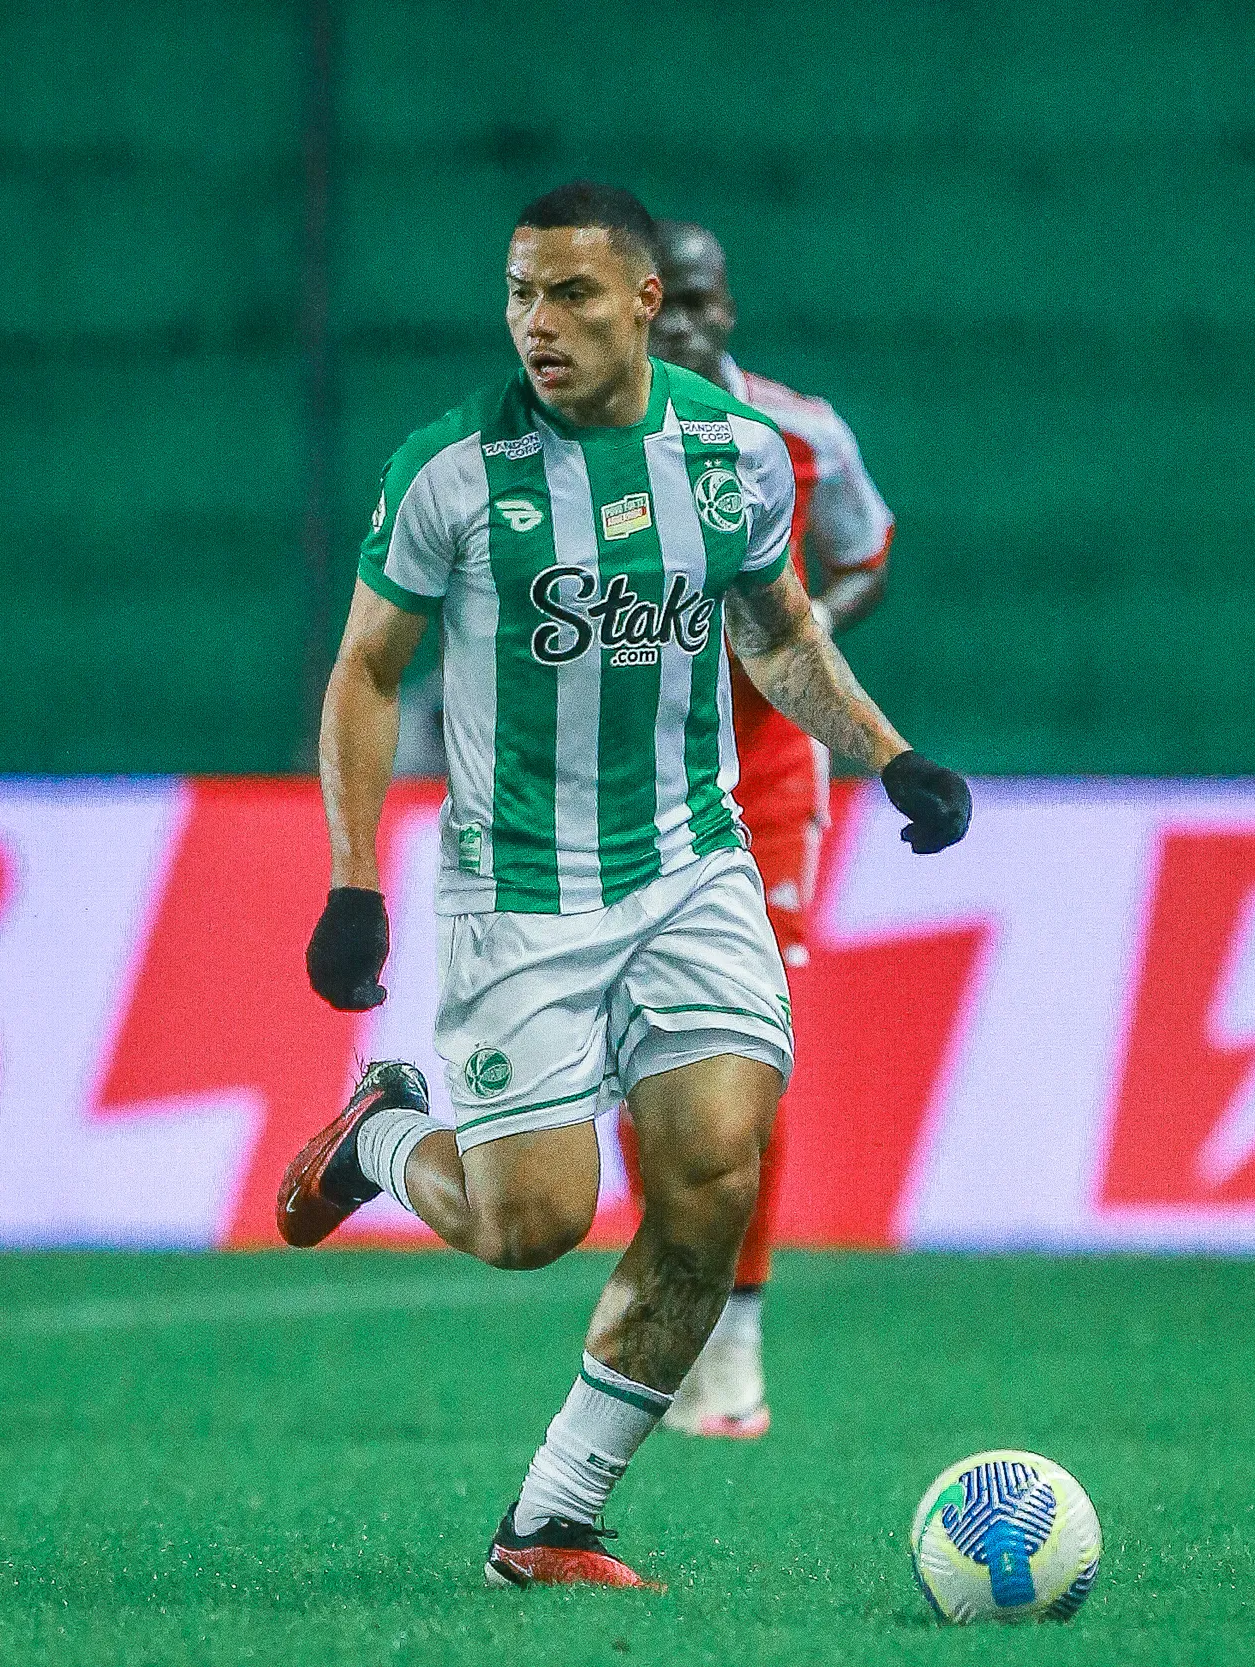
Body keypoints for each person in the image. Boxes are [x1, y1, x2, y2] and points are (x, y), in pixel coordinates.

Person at [277, 180, 971, 1591]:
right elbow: (366, 668)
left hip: (688, 862)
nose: (540, 322)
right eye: (523, 293)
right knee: (526, 1222)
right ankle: (378, 1140)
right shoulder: (450, 470)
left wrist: (890, 754)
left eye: (574, 294)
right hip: (520, 886)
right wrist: (354, 882)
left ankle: (554, 1519)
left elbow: (779, 633)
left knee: (713, 1171)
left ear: (646, 304)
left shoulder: (739, 454)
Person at [631, 219, 898, 1440]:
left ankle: (732, 1339)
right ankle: (667, 1307)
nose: (681, 321)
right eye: (659, 302)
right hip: (622, 785)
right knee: (644, 1063)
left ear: (727, 308)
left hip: (765, 780)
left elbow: (867, 551)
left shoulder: (802, 435)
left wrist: (799, 638)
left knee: (748, 1051)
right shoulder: (578, 449)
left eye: (700, 300)